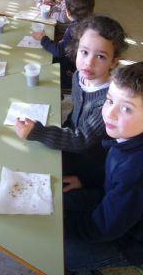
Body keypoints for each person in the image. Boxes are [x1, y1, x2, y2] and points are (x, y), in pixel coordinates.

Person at [64, 62, 143, 274]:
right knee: (59, 200)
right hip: (116, 207)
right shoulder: (133, 135)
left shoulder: (138, 172)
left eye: (126, 108)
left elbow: (105, 227)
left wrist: (62, 226)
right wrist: (85, 180)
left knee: (56, 253)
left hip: (128, 243)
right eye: (109, 100)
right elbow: (112, 172)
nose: (109, 113)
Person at [15, 15, 128, 189]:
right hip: (74, 149)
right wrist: (58, 130)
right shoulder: (79, 76)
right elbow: (75, 118)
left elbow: (81, 140)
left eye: (100, 57)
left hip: (92, 167)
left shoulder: (107, 102)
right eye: (84, 52)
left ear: (114, 62)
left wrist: (40, 132)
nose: (88, 62)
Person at [32, 0, 95, 89]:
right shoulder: (93, 23)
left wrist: (43, 38)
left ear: (68, 12)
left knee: (42, 65)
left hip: (74, 74)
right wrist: (56, 6)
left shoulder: (74, 29)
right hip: (85, 68)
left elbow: (59, 51)